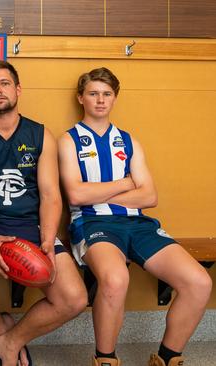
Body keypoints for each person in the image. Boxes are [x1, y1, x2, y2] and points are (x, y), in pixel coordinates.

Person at [58, 67, 212, 366]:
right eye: (93, 94)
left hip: (137, 224)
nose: (100, 100)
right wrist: (127, 182)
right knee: (116, 279)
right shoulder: (69, 140)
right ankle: (106, 359)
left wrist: (99, 192)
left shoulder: (128, 141)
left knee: (199, 282)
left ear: (115, 98)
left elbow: (150, 197)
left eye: (107, 94)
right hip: (92, 223)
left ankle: (168, 358)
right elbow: (76, 196)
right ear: (81, 98)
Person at [0, 60, 87, 366]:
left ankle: (8, 343)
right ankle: (4, 329)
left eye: (4, 83)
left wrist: (49, 240)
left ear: (18, 89)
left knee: (74, 298)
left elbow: (52, 195)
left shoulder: (41, 135)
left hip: (33, 227)